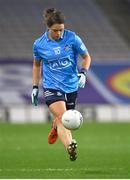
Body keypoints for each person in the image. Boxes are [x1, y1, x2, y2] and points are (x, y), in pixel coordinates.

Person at [31, 8, 91, 161]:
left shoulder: (72, 38)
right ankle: (70, 147)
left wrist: (83, 72)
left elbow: (86, 57)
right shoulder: (39, 44)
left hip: (71, 86)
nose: (59, 34)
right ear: (48, 28)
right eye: (55, 30)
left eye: (61, 30)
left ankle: (55, 127)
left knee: (64, 121)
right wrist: (35, 87)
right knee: (64, 116)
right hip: (52, 86)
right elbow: (37, 65)